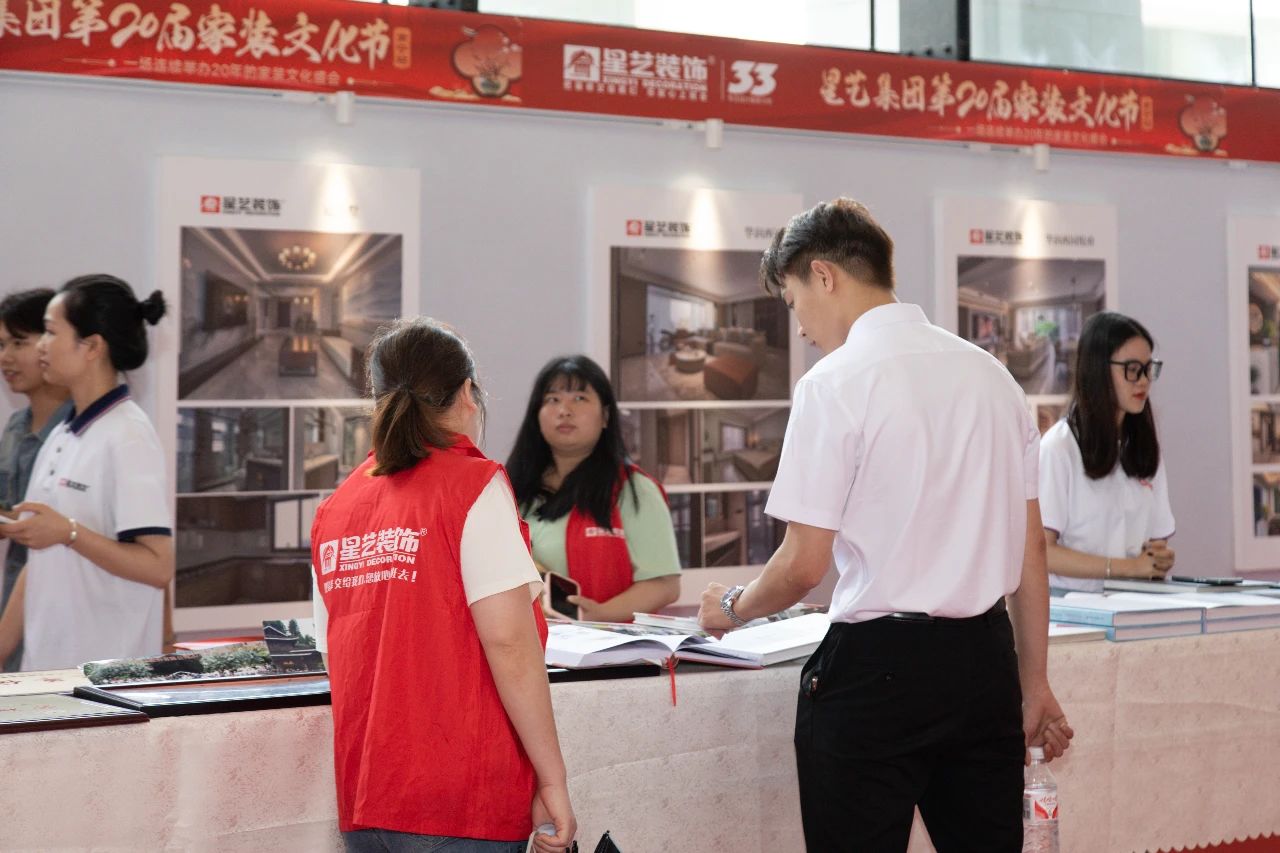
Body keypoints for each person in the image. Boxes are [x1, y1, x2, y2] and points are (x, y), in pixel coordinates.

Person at [697, 198, 1073, 852]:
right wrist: (1034, 681)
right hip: (985, 663)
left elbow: (802, 565)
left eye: (792, 302)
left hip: (879, 673)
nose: (801, 328)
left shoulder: (834, 383)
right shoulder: (994, 379)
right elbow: (1030, 552)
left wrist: (732, 607)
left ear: (823, 275)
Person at [309, 317, 575, 853]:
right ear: (467, 394)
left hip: (366, 803)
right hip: (461, 801)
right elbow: (510, 643)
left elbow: (334, 654)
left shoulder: (337, 507)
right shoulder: (472, 486)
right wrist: (552, 780)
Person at [0, 274, 172, 671]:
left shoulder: (128, 434)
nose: (41, 346)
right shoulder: (65, 431)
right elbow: (40, 559)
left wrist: (70, 533)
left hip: (106, 675)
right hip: (49, 668)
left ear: (92, 346)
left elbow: (158, 565)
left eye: (50, 332)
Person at [506, 355, 680, 623]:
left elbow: (665, 585)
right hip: (529, 640)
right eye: (552, 399)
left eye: (579, 398)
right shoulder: (512, 488)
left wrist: (599, 615)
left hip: (611, 644)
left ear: (606, 416)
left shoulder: (635, 490)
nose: (564, 410)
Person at [1040, 311, 1175, 594]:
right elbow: (1043, 552)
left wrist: (1158, 559)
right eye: (1132, 369)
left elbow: (1156, 542)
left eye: (1149, 368)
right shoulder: (1059, 448)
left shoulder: (1144, 447)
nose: (1143, 380)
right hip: (1075, 608)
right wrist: (1128, 567)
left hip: (1137, 604)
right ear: (1098, 370)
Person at [0, 289, 74, 671]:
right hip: (15, 597)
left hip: (67, 605)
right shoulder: (15, 426)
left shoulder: (81, 428)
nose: (5, 357)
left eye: (18, 342)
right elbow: (10, 511)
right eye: (1, 345)